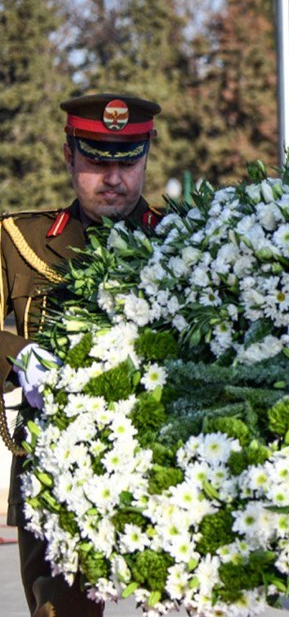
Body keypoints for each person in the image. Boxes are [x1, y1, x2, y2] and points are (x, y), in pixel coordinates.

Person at [1, 93, 163, 616]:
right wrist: (19, 356)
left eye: (128, 162)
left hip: (167, 468)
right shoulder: (19, 239)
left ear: (147, 155)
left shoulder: (184, 239)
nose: (113, 178)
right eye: (97, 162)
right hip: (56, 471)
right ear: (69, 155)